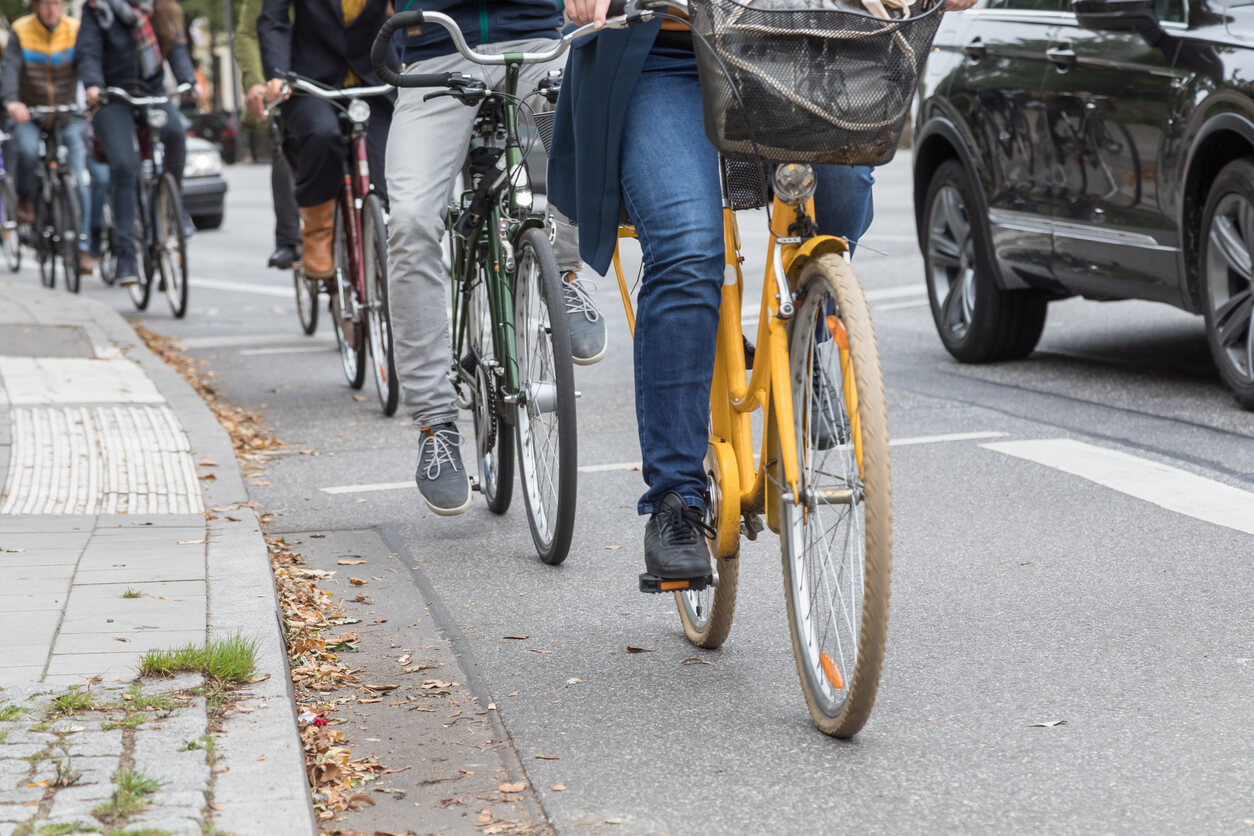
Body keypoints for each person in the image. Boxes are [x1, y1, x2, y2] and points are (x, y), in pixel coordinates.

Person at [550, 0, 973, 580]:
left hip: (806, 47)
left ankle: (805, 341)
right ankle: (677, 500)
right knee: (688, 247)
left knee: (840, 203)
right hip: (666, 53)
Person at [382, 0, 607, 518]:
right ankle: (436, 424)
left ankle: (565, 275)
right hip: (437, 53)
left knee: (586, 125)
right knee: (411, 221)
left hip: (536, 42)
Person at [256, 0, 392, 283]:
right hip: (312, 82)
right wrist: (277, 75)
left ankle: (390, 238)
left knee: (394, 162)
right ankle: (317, 233)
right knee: (321, 135)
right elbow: (274, 21)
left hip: (376, 76)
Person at [76, 0, 196, 285]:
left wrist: (189, 81)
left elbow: (177, 50)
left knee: (176, 133)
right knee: (125, 166)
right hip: (111, 96)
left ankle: (170, 206)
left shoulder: (161, 9)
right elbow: (88, 52)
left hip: (151, 91)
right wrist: (93, 84)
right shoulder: (97, 9)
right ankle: (126, 255)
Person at [1, 0, 93, 270]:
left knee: (78, 177)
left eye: (56, 3)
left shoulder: (75, 29)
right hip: (30, 112)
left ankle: (81, 244)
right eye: (45, 4)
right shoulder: (21, 30)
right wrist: (12, 102)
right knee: (27, 149)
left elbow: (87, 63)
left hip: (65, 114)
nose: (51, 9)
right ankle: (26, 198)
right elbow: (11, 70)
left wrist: (92, 89)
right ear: (35, 6)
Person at [235, 0, 300, 270]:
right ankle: (290, 241)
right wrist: (256, 82)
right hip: (280, 78)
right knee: (285, 147)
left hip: (332, 71)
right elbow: (248, 33)